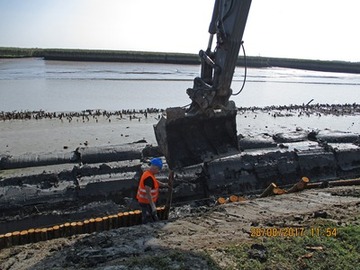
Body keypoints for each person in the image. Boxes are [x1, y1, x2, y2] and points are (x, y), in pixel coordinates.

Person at [136, 157, 168, 224]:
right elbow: (148, 194)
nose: (158, 171)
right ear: (155, 167)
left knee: (151, 216)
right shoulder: (148, 178)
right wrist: (153, 206)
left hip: (146, 201)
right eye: (158, 169)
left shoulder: (148, 173)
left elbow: (155, 182)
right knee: (147, 218)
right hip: (146, 202)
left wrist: (164, 184)